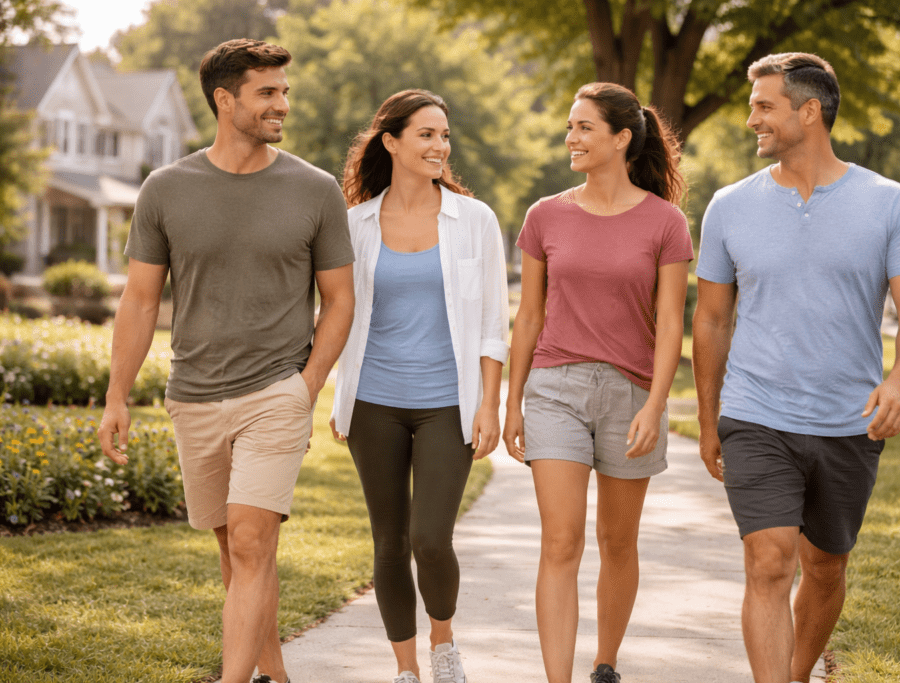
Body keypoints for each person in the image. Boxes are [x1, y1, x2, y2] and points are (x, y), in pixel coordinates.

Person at [98, 39, 355, 683]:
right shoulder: (166, 189)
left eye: (284, 91)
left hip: (276, 391)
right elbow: (138, 301)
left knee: (249, 540)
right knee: (234, 548)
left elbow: (341, 300)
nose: (282, 104)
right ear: (225, 99)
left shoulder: (315, 189)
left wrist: (307, 386)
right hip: (194, 392)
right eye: (267, 92)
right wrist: (115, 396)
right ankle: (274, 672)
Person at [692, 52, 900, 683]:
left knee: (826, 566)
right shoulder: (728, 206)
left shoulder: (889, 203)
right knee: (769, 562)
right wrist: (709, 415)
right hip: (757, 412)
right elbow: (713, 320)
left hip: (846, 419)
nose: (752, 120)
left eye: (765, 106)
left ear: (809, 111)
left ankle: (798, 673)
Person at [503, 82, 691, 683]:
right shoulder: (545, 215)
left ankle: (604, 662)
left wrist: (656, 406)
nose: (571, 139)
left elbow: (669, 327)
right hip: (555, 386)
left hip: (631, 393)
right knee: (561, 541)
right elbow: (528, 316)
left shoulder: (666, 222)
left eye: (584, 127)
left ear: (621, 138)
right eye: (569, 127)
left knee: (617, 542)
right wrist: (513, 404)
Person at [328, 89, 509, 683]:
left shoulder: (473, 220)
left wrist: (490, 403)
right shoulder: (353, 224)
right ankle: (406, 669)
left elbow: (490, 323)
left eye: (444, 136)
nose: (440, 146)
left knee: (430, 538)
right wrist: (338, 395)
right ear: (391, 142)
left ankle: (444, 644)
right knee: (388, 541)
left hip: (445, 404)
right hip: (374, 401)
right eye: (426, 135)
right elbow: (334, 313)